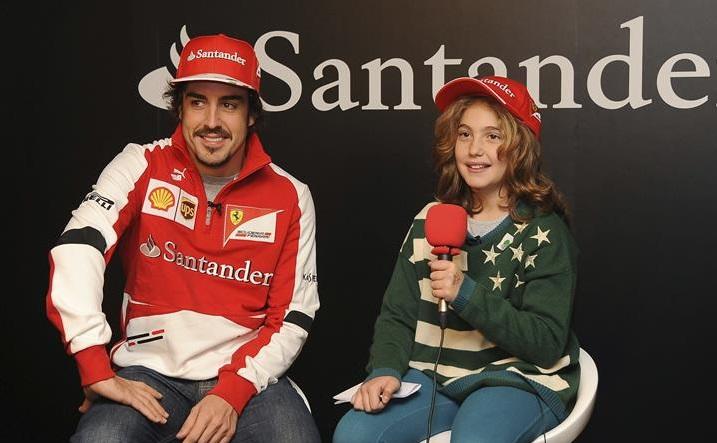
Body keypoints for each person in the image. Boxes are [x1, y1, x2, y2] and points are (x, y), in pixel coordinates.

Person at [46, 33, 321, 443]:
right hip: (148, 371)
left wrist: (231, 393)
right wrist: (93, 364)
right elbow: (78, 247)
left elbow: (294, 315)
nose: (212, 121)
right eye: (197, 102)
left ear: (251, 113)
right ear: (180, 108)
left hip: (248, 380)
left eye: (229, 104)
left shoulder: (291, 195)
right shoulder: (139, 164)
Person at [333, 76, 580, 443]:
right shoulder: (430, 219)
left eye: (493, 136)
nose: (474, 149)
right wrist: (384, 369)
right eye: (465, 134)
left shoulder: (544, 231)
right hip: (435, 378)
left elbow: (545, 343)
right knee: (354, 434)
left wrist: (466, 293)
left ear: (521, 147)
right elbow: (398, 314)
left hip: (517, 377)